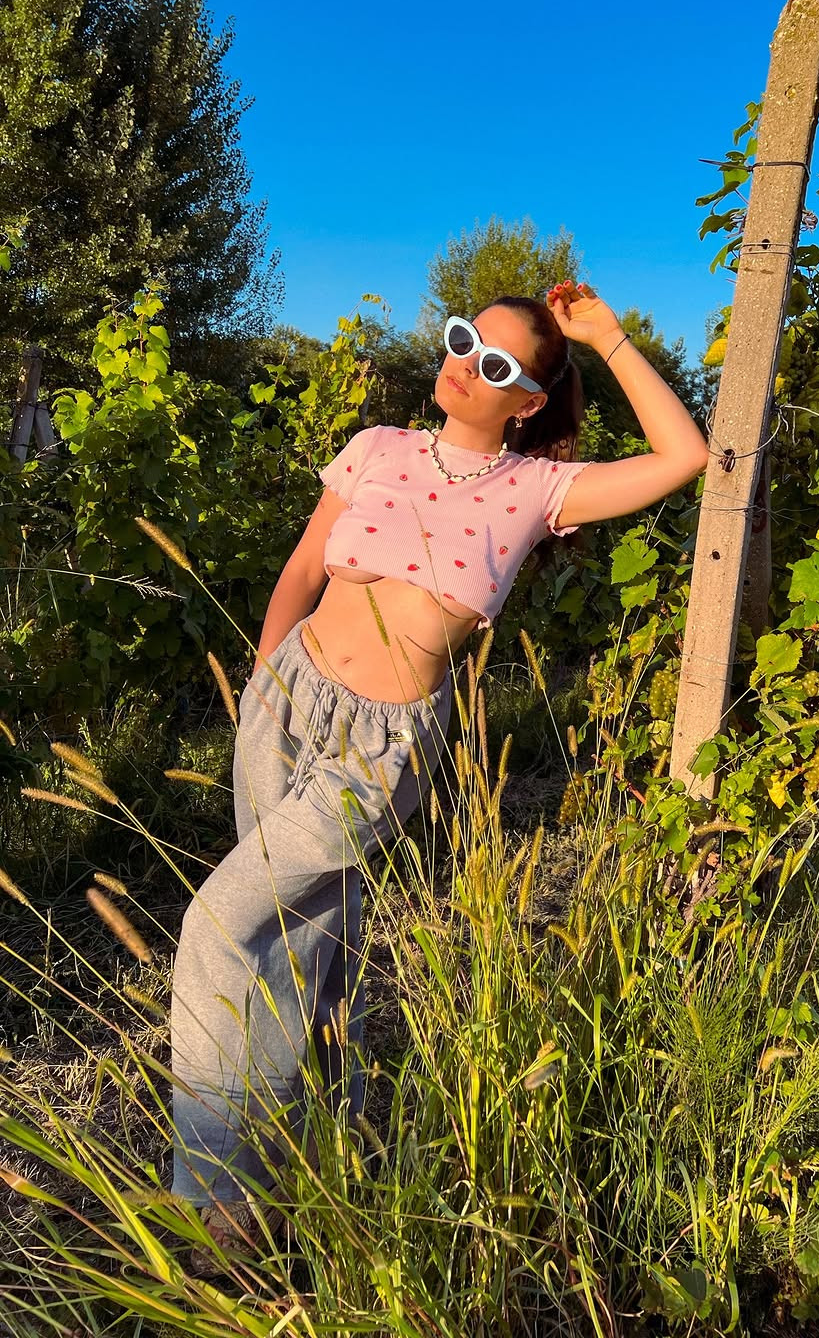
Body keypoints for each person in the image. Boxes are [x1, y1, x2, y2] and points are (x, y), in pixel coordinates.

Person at [168, 280, 710, 1260]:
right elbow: (303, 568)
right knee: (303, 948)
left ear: (527, 402)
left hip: (378, 749)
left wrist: (608, 337)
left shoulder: (540, 489)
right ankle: (321, 1162)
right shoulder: (376, 446)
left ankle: (213, 1200)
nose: (466, 364)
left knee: (218, 925)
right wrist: (260, 682)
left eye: (496, 364)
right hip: (286, 701)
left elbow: (685, 457)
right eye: (465, 340)